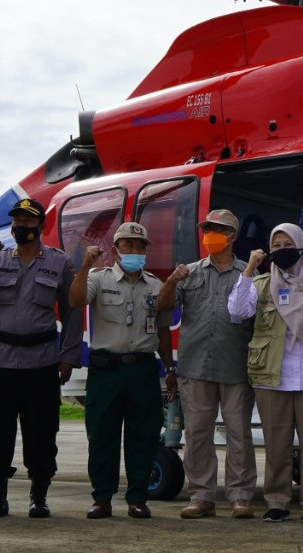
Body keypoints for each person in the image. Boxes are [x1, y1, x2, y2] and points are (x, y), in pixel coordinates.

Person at [0, 197, 81, 518]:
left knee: (42, 431)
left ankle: (39, 496)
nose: (21, 227)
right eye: (17, 222)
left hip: (41, 362)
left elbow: (73, 312)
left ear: (41, 227)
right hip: (1, 362)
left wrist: (68, 357)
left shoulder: (59, 263)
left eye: (28, 222)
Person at [228, 222, 303, 524]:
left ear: (300, 246)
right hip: (272, 378)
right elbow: (236, 311)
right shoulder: (261, 284)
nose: (282, 251)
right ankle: (278, 502)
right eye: (276, 246)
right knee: (276, 445)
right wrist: (249, 271)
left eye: (288, 245)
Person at [70, 221, 177, 520]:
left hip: (142, 368)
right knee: (102, 435)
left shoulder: (157, 285)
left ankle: (138, 498)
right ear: (116, 251)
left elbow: (164, 330)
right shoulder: (97, 278)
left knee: (142, 436)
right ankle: (102, 498)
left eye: (140, 246)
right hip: (107, 370)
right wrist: (85, 264)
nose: (134, 250)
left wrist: (169, 367)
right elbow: (76, 300)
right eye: (128, 245)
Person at [156, 208, 256, 519]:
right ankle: (201, 496)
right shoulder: (190, 272)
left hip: (236, 366)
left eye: (216, 229)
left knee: (239, 432)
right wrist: (171, 281)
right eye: (207, 229)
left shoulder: (248, 273)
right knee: (197, 433)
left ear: (232, 237)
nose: (209, 235)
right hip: (195, 365)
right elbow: (163, 306)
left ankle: (240, 497)